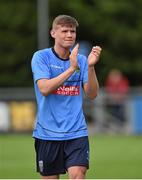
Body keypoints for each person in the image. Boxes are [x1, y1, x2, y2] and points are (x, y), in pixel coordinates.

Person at [31, 14, 102, 179]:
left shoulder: (82, 60)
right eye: (64, 31)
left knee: (78, 174)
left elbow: (92, 94)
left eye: (72, 31)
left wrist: (90, 67)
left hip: (76, 131)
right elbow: (44, 88)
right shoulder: (41, 57)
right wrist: (71, 69)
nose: (69, 35)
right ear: (53, 33)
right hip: (47, 133)